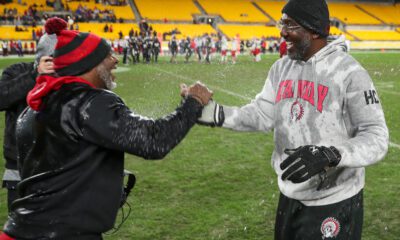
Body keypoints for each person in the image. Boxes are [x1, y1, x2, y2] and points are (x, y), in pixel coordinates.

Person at [1, 17, 212, 239]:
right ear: (89, 64)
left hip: (22, 230)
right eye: (108, 55)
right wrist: (193, 103)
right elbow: (153, 140)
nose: (115, 60)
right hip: (63, 233)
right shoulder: (90, 101)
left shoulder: (34, 107)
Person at [197, 0, 388, 239]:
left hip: (335, 201)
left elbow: (377, 136)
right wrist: (216, 113)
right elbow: (262, 114)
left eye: (290, 24)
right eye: (282, 23)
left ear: (314, 29)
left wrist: (330, 154)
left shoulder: (350, 73)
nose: (282, 31)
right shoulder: (280, 68)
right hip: (289, 195)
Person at [0, 30, 57, 212]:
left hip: (56, 166)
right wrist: (35, 75)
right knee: (20, 226)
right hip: (18, 165)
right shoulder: (16, 71)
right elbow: (2, 98)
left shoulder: (67, 77)